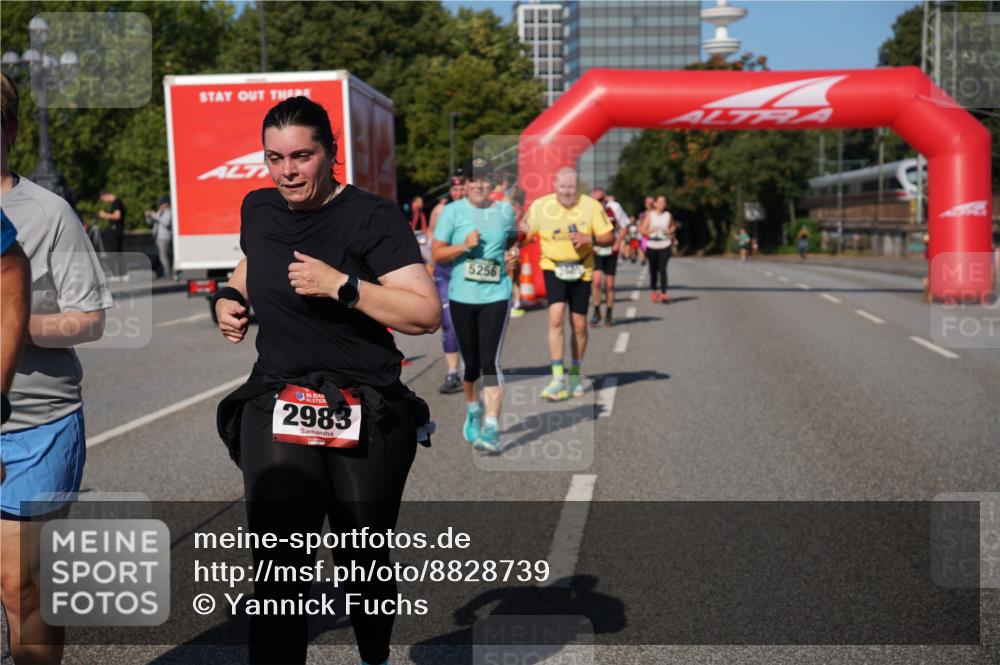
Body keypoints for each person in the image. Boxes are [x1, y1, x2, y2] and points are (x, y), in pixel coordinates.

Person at [213, 96, 439, 665]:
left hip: (364, 403)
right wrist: (231, 296)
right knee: (279, 567)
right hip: (279, 396)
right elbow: (253, 261)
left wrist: (344, 285)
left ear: (331, 154)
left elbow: (424, 314)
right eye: (274, 157)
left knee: (361, 559)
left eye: (302, 156)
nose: (287, 171)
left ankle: (374, 656)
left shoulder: (372, 217)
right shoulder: (258, 208)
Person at [1, 71, 112, 665]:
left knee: (24, 589)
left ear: (11, 131)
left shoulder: (48, 213)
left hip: (37, 425)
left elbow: (89, 319)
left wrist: (15, 327)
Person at [431, 156, 517, 451]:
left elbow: (515, 240)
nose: (479, 184)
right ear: (465, 185)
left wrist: (513, 254)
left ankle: (491, 427)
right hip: (462, 296)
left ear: (491, 184)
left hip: (497, 294)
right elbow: (437, 254)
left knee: (490, 362)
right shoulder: (452, 212)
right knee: (471, 367)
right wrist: (464, 246)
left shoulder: (505, 211)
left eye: (484, 179)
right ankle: (473, 409)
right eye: (473, 179)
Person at [521, 167, 614, 401]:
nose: (566, 192)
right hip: (553, 266)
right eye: (562, 187)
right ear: (555, 186)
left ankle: (575, 372)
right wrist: (513, 235)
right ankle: (557, 377)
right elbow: (524, 234)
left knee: (579, 324)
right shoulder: (541, 206)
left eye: (571, 187)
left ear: (578, 187)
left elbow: (608, 237)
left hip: (582, 267)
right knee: (555, 316)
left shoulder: (591, 206)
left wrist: (588, 238)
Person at [427, 176, 466, 394]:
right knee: (449, 323)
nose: (459, 193)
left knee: (470, 323)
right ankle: (452, 372)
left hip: (467, 272)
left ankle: (471, 366)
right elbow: (430, 235)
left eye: (462, 188)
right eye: (456, 189)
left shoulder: (474, 211)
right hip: (445, 272)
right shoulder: (439, 211)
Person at [589, 188, 629, 327]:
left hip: (611, 249)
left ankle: (609, 313)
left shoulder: (614, 208)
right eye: (595, 200)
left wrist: (618, 242)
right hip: (595, 249)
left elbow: (625, 226)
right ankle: (596, 311)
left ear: (605, 199)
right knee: (596, 281)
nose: (598, 203)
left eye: (600, 200)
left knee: (610, 284)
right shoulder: (587, 210)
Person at [639, 194, 676, 303]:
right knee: (654, 270)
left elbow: (673, 226)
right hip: (652, 245)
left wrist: (669, 231)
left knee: (663, 269)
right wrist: (650, 231)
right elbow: (642, 230)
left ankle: (664, 293)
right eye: (660, 202)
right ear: (655, 204)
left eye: (664, 202)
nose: (662, 204)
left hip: (665, 244)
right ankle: (654, 290)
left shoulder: (668, 215)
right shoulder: (650, 215)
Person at [98, 188, 126, 278]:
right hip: (117, 231)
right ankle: (121, 273)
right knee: (117, 252)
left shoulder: (116, 203)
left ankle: (116, 274)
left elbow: (117, 216)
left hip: (115, 231)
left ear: (105, 196)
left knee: (113, 252)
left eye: (103, 199)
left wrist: (104, 215)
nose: (105, 201)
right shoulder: (117, 202)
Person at [144, 195, 174, 279]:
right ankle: (161, 271)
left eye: (161, 204)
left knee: (163, 256)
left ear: (166, 204)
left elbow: (166, 223)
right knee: (160, 256)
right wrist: (148, 216)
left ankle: (167, 273)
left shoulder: (169, 212)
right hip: (157, 237)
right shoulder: (160, 212)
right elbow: (150, 223)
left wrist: (154, 215)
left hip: (165, 237)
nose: (160, 205)